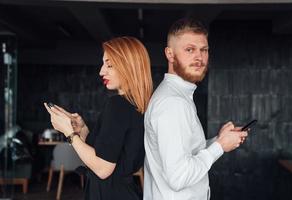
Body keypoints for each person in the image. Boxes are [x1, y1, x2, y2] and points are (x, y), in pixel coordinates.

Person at [143, 18, 248, 200]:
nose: (199, 57)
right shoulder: (173, 103)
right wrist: (220, 146)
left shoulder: (178, 95)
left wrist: (219, 139)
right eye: (190, 50)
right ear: (170, 54)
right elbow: (179, 177)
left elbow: (185, 154)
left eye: (204, 50)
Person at [44, 36, 153, 200]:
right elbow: (111, 152)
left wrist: (69, 133)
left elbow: (103, 169)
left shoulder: (117, 105)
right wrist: (83, 131)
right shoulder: (136, 105)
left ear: (128, 66)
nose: (101, 71)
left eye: (109, 64)